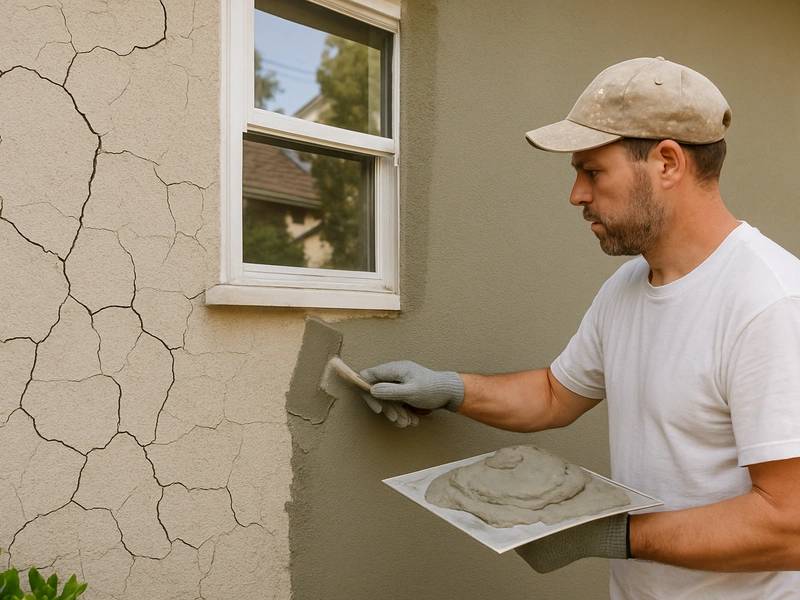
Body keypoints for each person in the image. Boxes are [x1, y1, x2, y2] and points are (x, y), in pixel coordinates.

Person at [359, 57, 800, 599]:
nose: (577, 195)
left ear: (666, 162)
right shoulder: (627, 288)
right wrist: (448, 388)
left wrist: (608, 534)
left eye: (592, 171)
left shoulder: (771, 303)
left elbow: (789, 527)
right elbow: (553, 395)